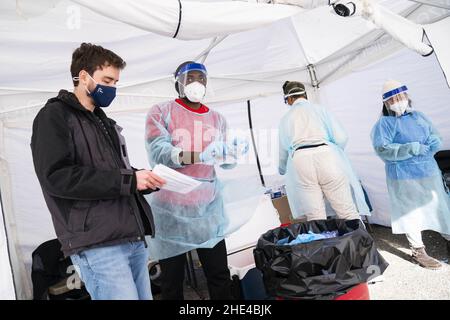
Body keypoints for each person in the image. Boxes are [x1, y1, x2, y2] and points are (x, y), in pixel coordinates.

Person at [31, 43, 166, 299]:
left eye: (116, 82)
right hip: (98, 244)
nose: (112, 88)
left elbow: (115, 173)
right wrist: (129, 180)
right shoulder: (54, 116)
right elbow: (57, 177)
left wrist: (144, 179)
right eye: (107, 80)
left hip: (131, 236)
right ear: (83, 76)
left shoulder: (104, 122)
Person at [144, 61, 243, 300]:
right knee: (171, 282)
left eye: (202, 78)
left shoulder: (217, 119)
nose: (197, 83)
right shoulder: (161, 112)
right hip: (171, 211)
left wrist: (231, 154)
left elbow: (222, 160)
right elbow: (159, 152)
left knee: (219, 274)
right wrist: (198, 155)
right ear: (178, 83)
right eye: (190, 78)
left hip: (207, 209)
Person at [371, 80, 450, 269]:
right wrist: (412, 148)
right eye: (393, 99)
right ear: (386, 103)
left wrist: (432, 143)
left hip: (428, 172)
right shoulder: (384, 124)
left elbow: (434, 136)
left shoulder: (419, 117)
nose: (398, 101)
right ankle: (418, 251)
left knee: (440, 208)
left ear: (407, 96)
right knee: (410, 212)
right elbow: (383, 149)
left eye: (400, 97)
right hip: (402, 175)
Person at [278, 81, 370, 221]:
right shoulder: (320, 110)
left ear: (289, 98)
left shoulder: (286, 119)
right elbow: (341, 137)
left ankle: (324, 242)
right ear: (305, 95)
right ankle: (361, 242)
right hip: (327, 156)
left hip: (301, 160)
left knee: (315, 216)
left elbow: (283, 151)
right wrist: (334, 152)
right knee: (346, 210)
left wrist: (282, 169)